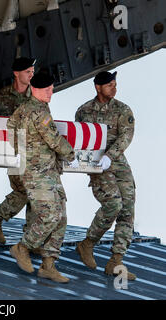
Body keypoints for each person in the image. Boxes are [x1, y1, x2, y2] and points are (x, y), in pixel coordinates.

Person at [8, 72, 78, 283]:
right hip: (38, 173)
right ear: (35, 89)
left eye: (52, 88)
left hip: (46, 171)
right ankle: (22, 247)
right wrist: (71, 154)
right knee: (50, 214)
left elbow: (11, 126)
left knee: (61, 214)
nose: (51, 92)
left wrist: (22, 148)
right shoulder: (39, 112)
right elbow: (54, 139)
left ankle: (48, 265)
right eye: (47, 89)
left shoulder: (25, 109)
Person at [75, 71, 136, 281]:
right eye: (110, 85)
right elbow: (80, 140)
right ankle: (87, 244)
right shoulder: (83, 111)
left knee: (127, 209)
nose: (114, 88)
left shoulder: (122, 109)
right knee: (113, 204)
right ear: (98, 87)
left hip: (117, 163)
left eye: (115, 84)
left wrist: (110, 156)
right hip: (97, 166)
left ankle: (116, 261)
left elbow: (126, 135)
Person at [0, 57, 35, 244]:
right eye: (28, 72)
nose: (31, 75)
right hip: (11, 151)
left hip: (31, 151)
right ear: (16, 73)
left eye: (32, 71)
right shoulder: (3, 95)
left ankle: (30, 236)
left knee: (33, 192)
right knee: (24, 190)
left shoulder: (36, 95)